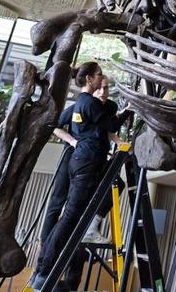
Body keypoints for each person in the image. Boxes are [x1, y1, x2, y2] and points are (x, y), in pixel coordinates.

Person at [31, 62, 120, 290]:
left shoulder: (97, 104)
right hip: (81, 160)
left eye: (106, 85)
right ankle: (43, 270)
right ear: (90, 79)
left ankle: (89, 229)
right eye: (100, 78)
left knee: (109, 189)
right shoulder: (87, 103)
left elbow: (108, 130)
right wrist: (73, 141)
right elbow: (110, 124)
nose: (103, 85)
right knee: (66, 213)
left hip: (88, 161)